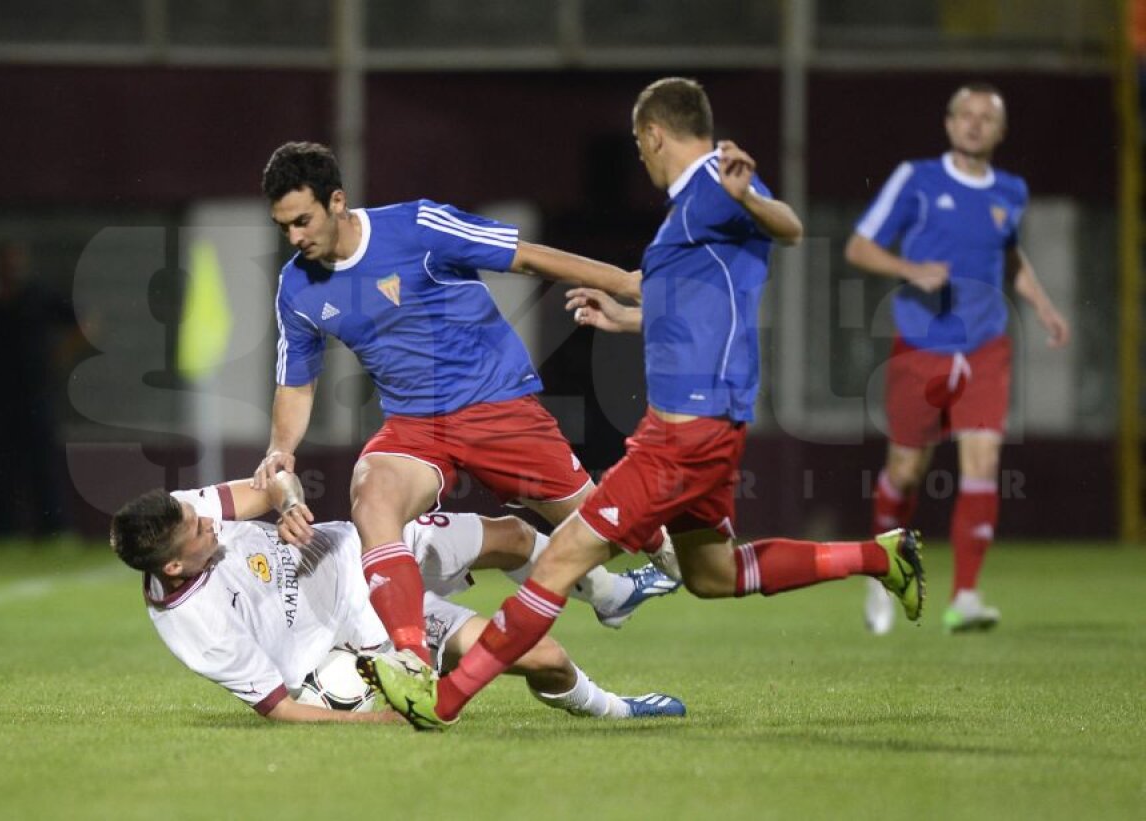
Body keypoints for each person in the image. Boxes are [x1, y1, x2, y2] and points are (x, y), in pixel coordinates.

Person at [360, 77, 927, 731]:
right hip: (706, 431)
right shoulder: (693, 207)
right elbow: (697, 304)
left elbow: (790, 227)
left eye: (639, 144)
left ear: (655, 133)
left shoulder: (715, 181)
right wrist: (626, 318)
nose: (641, 157)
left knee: (560, 559)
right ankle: (882, 555)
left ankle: (445, 700)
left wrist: (752, 198)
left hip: (680, 440)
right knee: (714, 573)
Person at [252, 141, 678, 670]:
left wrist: (627, 283)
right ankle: (410, 659)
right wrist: (281, 448)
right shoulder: (295, 286)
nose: (294, 237)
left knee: (607, 526)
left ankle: (662, 562)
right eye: (283, 227)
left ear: (336, 201)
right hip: (413, 425)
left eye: (302, 221)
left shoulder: (418, 226)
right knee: (372, 497)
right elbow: (296, 383)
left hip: (495, 405)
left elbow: (525, 256)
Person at [109, 470, 686, 723]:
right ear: (176, 564)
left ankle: (609, 595)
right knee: (547, 660)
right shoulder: (199, 631)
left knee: (510, 535)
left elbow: (270, 485)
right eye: (198, 529)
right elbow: (279, 709)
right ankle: (617, 709)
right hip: (363, 638)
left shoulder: (180, 515)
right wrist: (376, 723)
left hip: (360, 549)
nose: (207, 521)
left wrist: (287, 505)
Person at [843, 82, 1070, 635]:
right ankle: (880, 573)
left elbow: (1009, 254)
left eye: (984, 118)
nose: (973, 124)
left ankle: (965, 594)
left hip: (987, 347)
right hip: (921, 347)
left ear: (1000, 130)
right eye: (964, 115)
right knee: (907, 470)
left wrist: (1041, 304)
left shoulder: (1010, 190)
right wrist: (909, 270)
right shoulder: (917, 179)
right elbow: (859, 246)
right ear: (948, 124)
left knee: (983, 462)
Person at [0, 243, 79, 540]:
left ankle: (54, 529)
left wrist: (57, 357)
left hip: (37, 398)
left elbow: (83, 324)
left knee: (44, 466)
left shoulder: (40, 298)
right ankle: (1, 531)